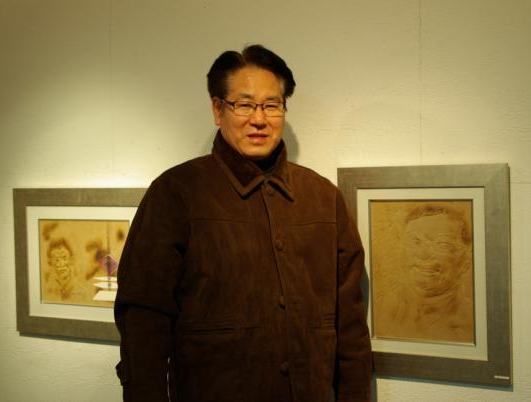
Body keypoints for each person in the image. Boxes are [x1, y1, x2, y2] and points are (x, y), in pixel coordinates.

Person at [114, 44, 372, 402]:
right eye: (245, 104)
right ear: (217, 109)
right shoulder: (175, 194)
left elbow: (351, 328)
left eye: (272, 105)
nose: (259, 119)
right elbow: (143, 325)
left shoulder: (323, 197)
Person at [376, 204, 474, 343]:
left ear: (465, 261)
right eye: (415, 242)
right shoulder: (383, 310)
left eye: (442, 245)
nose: (423, 254)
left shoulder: (470, 322)